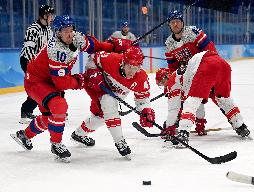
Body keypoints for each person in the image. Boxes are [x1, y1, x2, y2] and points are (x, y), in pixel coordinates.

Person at [11, 15, 117, 162]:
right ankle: (56, 144)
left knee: (52, 118)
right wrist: (79, 81)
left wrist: (115, 47)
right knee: (59, 106)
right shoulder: (56, 50)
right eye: (65, 30)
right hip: (36, 82)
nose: (70, 33)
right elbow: (61, 83)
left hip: (50, 82)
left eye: (71, 29)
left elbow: (95, 46)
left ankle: (24, 135)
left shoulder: (75, 38)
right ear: (58, 32)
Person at [70, 47, 155, 159]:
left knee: (100, 116)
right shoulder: (112, 59)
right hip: (97, 85)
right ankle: (120, 141)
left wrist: (145, 111)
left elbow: (143, 101)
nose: (132, 72)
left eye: (136, 68)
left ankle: (78, 134)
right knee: (109, 103)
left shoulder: (141, 78)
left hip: (116, 94)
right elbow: (93, 58)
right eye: (129, 67)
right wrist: (92, 73)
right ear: (123, 62)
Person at [156, 51, 250, 147]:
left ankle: (183, 133)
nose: (163, 85)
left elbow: (174, 110)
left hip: (206, 68)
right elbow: (199, 104)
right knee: (223, 99)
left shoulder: (173, 82)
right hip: (222, 65)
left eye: (162, 82)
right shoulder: (187, 71)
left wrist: (169, 127)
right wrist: (200, 123)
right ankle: (240, 125)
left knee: (191, 102)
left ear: (167, 77)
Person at [164, 10, 228, 136]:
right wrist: (173, 81)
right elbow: (173, 67)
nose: (175, 24)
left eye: (178, 21)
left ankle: (238, 123)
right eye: (172, 22)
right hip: (188, 75)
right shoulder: (169, 43)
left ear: (183, 23)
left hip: (205, 71)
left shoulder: (193, 33)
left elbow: (210, 52)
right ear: (169, 25)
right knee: (189, 98)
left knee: (220, 98)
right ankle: (196, 123)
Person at [19, 5, 55, 124]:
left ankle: (53, 109)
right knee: (38, 86)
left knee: (49, 85)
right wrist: (33, 69)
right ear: (44, 16)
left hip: (39, 64)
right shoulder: (33, 29)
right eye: (50, 15)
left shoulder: (49, 30)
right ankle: (26, 111)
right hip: (28, 61)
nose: (52, 18)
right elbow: (29, 50)